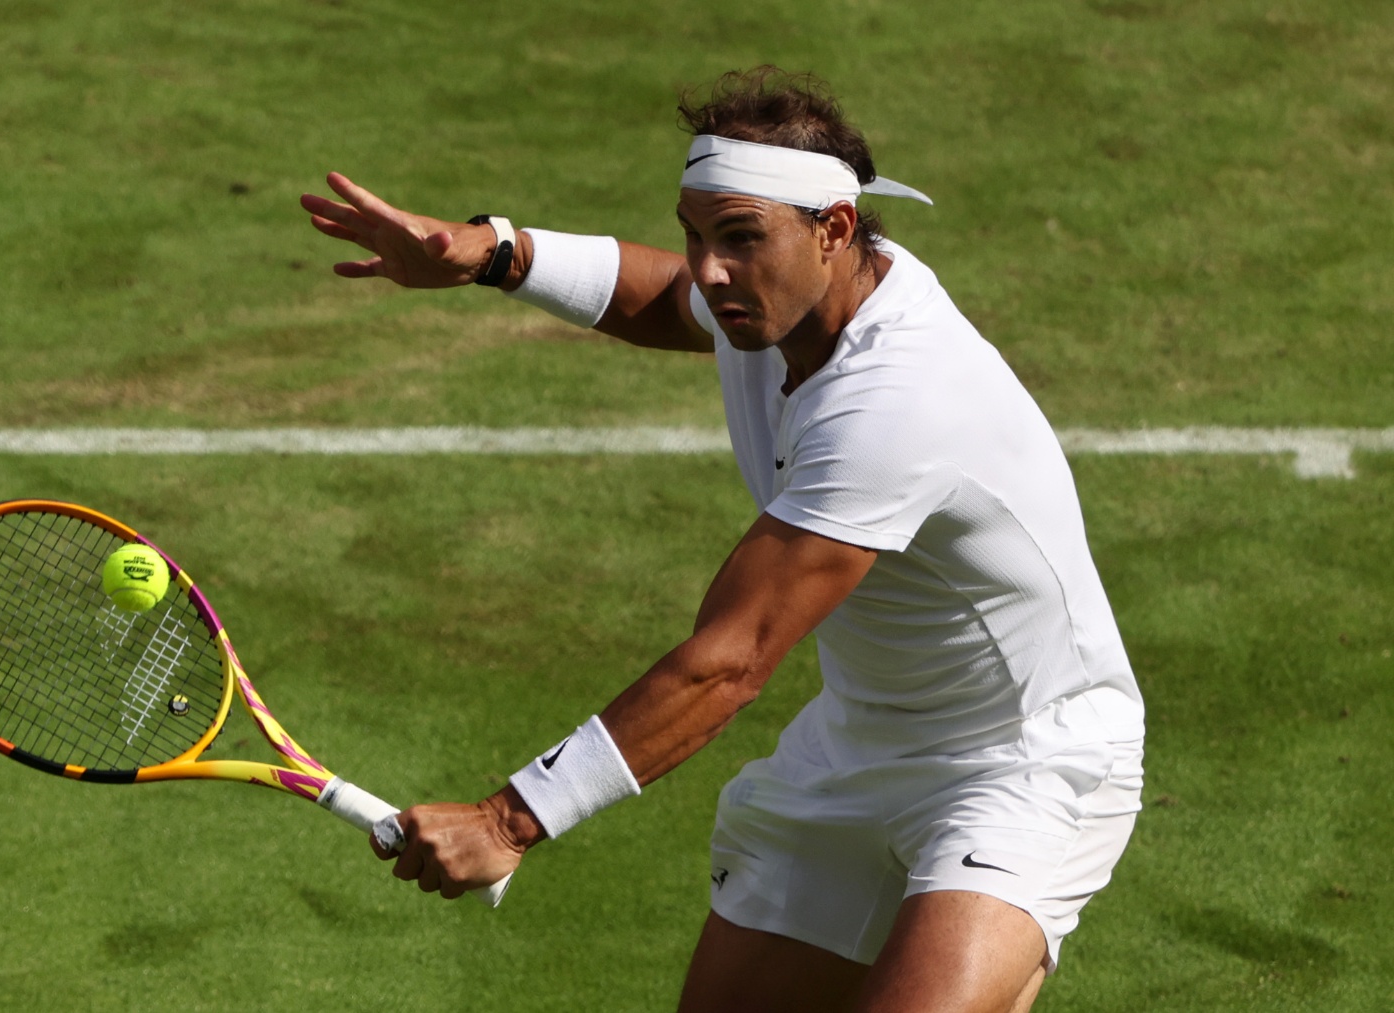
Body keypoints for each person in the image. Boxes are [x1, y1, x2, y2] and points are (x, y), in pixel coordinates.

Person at [299, 67, 1145, 1013]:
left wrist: (510, 818)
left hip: (1025, 763)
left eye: (739, 239)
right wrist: (495, 252)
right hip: (860, 743)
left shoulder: (898, 400)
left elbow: (731, 661)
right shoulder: (786, 300)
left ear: (832, 228)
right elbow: (664, 298)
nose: (708, 269)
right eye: (696, 233)